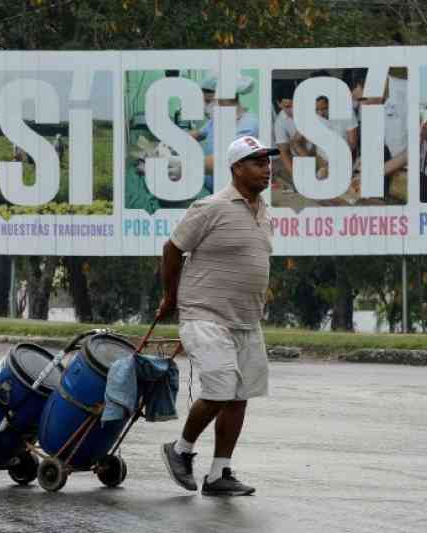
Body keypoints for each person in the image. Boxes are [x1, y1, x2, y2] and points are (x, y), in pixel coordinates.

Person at [157, 135, 278, 496]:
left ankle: (218, 474)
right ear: (237, 168)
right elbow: (173, 248)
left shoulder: (263, 213)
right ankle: (180, 450)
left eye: (268, 162)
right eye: (258, 162)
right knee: (221, 388)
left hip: (245, 319)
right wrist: (170, 296)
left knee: (240, 395)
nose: (267, 169)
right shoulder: (211, 207)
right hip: (204, 315)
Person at [192, 75, 259, 193]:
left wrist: (182, 164)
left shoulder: (248, 125)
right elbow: (198, 134)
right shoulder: (218, 119)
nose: (204, 107)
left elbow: (224, 160)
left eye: (208, 101)